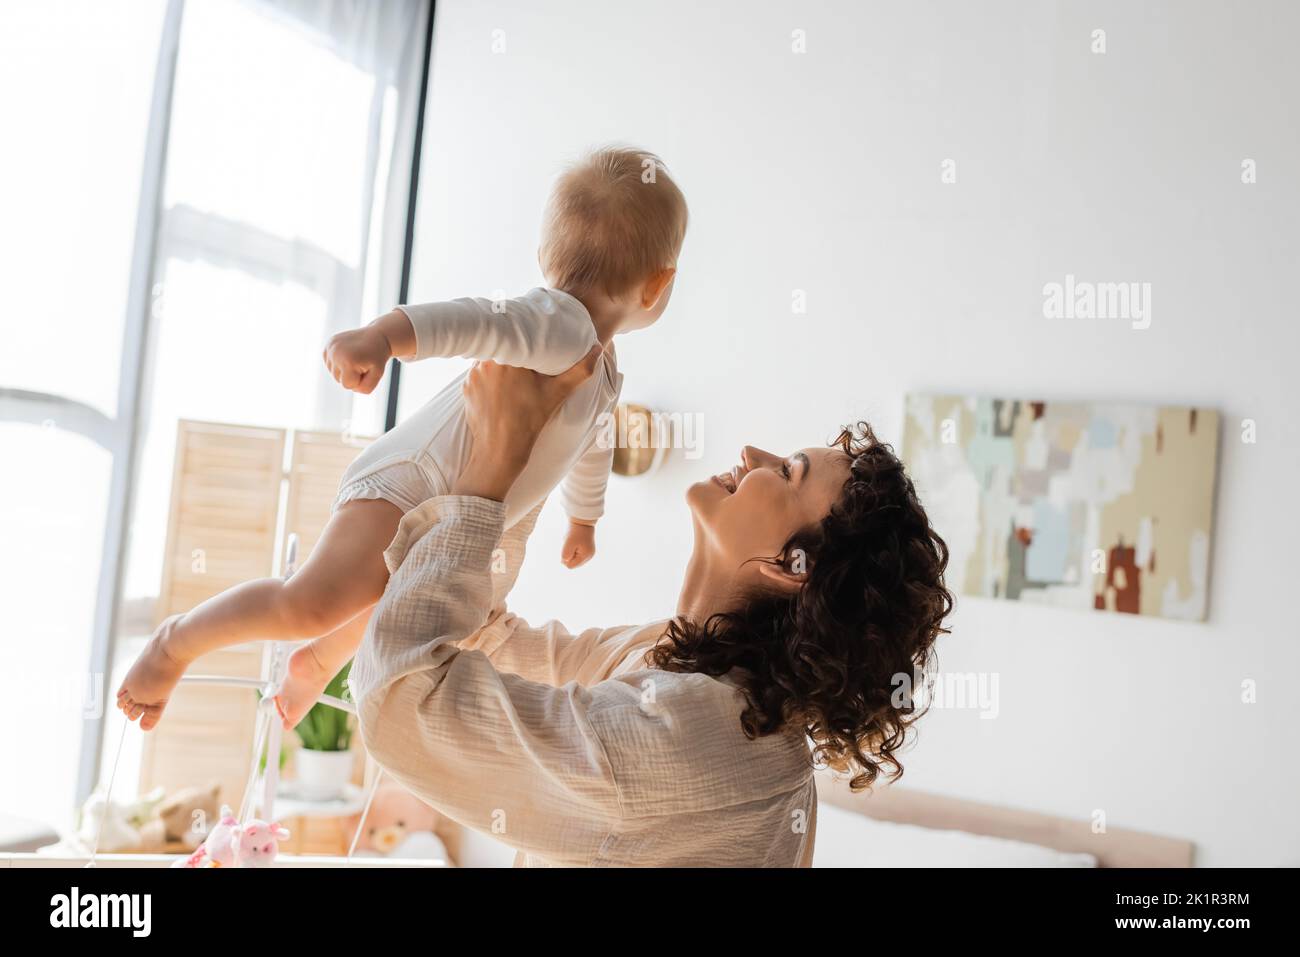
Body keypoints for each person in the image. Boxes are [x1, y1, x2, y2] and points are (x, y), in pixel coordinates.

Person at [116, 146, 688, 730]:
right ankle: (174, 643)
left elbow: (591, 447)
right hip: (413, 482)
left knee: (407, 603)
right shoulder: (560, 323)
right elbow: (475, 321)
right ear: (658, 285)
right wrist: (383, 337)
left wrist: (584, 517)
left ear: (546, 253)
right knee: (309, 602)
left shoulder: (603, 366)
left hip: (454, 508)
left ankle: (315, 663)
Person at [335, 350, 955, 867]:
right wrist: (536, 452)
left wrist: (493, 469)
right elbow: (489, 636)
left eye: (787, 472)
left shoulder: (701, 731)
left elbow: (398, 700)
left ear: (793, 566)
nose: (751, 455)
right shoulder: (681, 662)